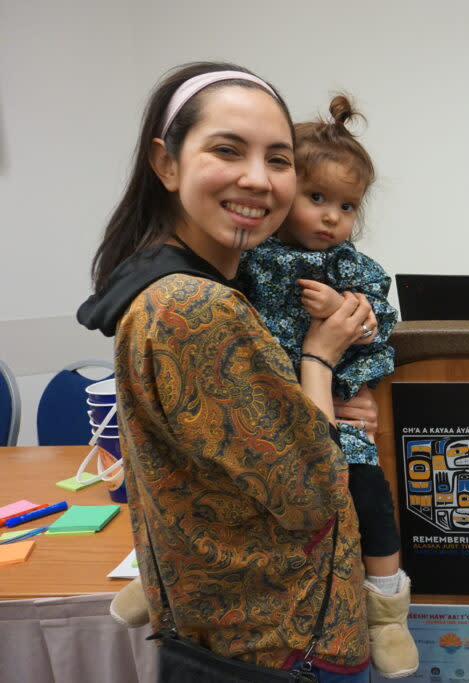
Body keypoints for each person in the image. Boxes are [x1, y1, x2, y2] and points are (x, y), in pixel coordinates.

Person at [78, 61, 371, 681]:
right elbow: (315, 493)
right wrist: (320, 358)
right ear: (167, 163)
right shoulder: (196, 309)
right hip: (278, 647)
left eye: (279, 160)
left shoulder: (166, 287)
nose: (257, 180)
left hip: (232, 633)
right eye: (227, 150)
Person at [235, 94, 418, 679]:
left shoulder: (348, 266)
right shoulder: (251, 257)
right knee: (234, 493)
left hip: (334, 415)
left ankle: (387, 613)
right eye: (317, 199)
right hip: (264, 415)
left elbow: (381, 321)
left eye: (346, 205)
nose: (332, 217)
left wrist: (346, 308)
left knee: (370, 497)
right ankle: (156, 569)